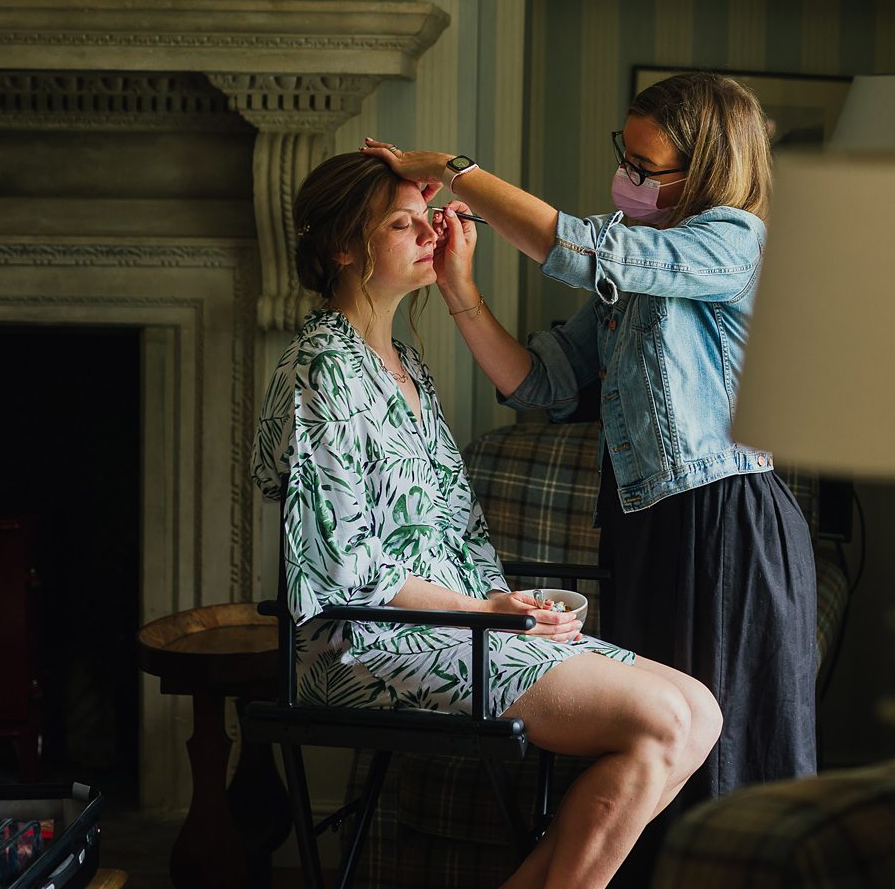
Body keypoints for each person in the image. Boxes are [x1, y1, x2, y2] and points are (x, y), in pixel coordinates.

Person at [250, 152, 721, 889]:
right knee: (665, 719)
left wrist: (508, 607)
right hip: (365, 644)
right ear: (344, 247)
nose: (428, 235)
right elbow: (347, 573)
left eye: (425, 220)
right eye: (402, 224)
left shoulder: (404, 362)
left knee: (699, 711)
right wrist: (486, 612)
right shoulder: (322, 369)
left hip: (459, 627)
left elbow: (452, 538)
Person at [365, 71, 819, 832]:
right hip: (648, 530)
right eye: (626, 157)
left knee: (728, 768)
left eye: (648, 170)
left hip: (726, 526)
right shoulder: (641, 276)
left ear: (705, 170)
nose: (628, 180)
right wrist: (458, 286)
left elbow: (577, 247)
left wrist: (452, 171)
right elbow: (539, 383)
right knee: (657, 759)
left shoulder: (733, 242)